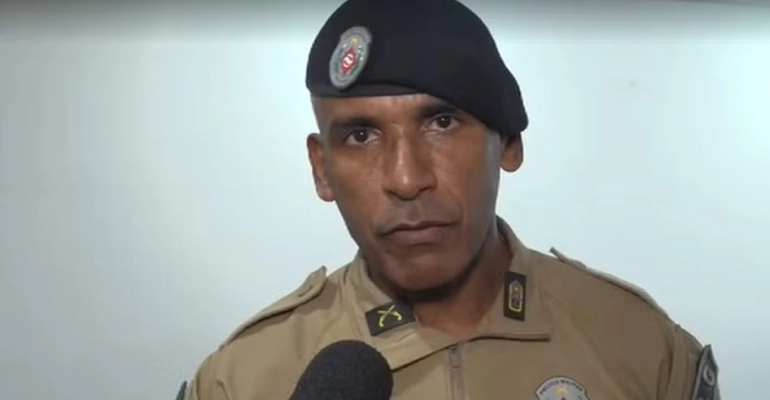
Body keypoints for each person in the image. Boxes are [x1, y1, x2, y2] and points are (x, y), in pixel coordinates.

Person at [178, 0, 721, 399]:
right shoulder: (242, 381)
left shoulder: (641, 348)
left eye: (441, 122)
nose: (406, 179)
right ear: (321, 169)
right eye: (361, 136)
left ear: (509, 142)